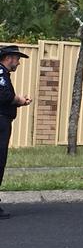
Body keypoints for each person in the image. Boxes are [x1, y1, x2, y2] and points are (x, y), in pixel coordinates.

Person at [0, 45, 32, 219]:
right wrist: (18, 99)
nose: (19, 63)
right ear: (9, 58)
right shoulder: (1, 74)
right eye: (17, 59)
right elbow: (3, 96)